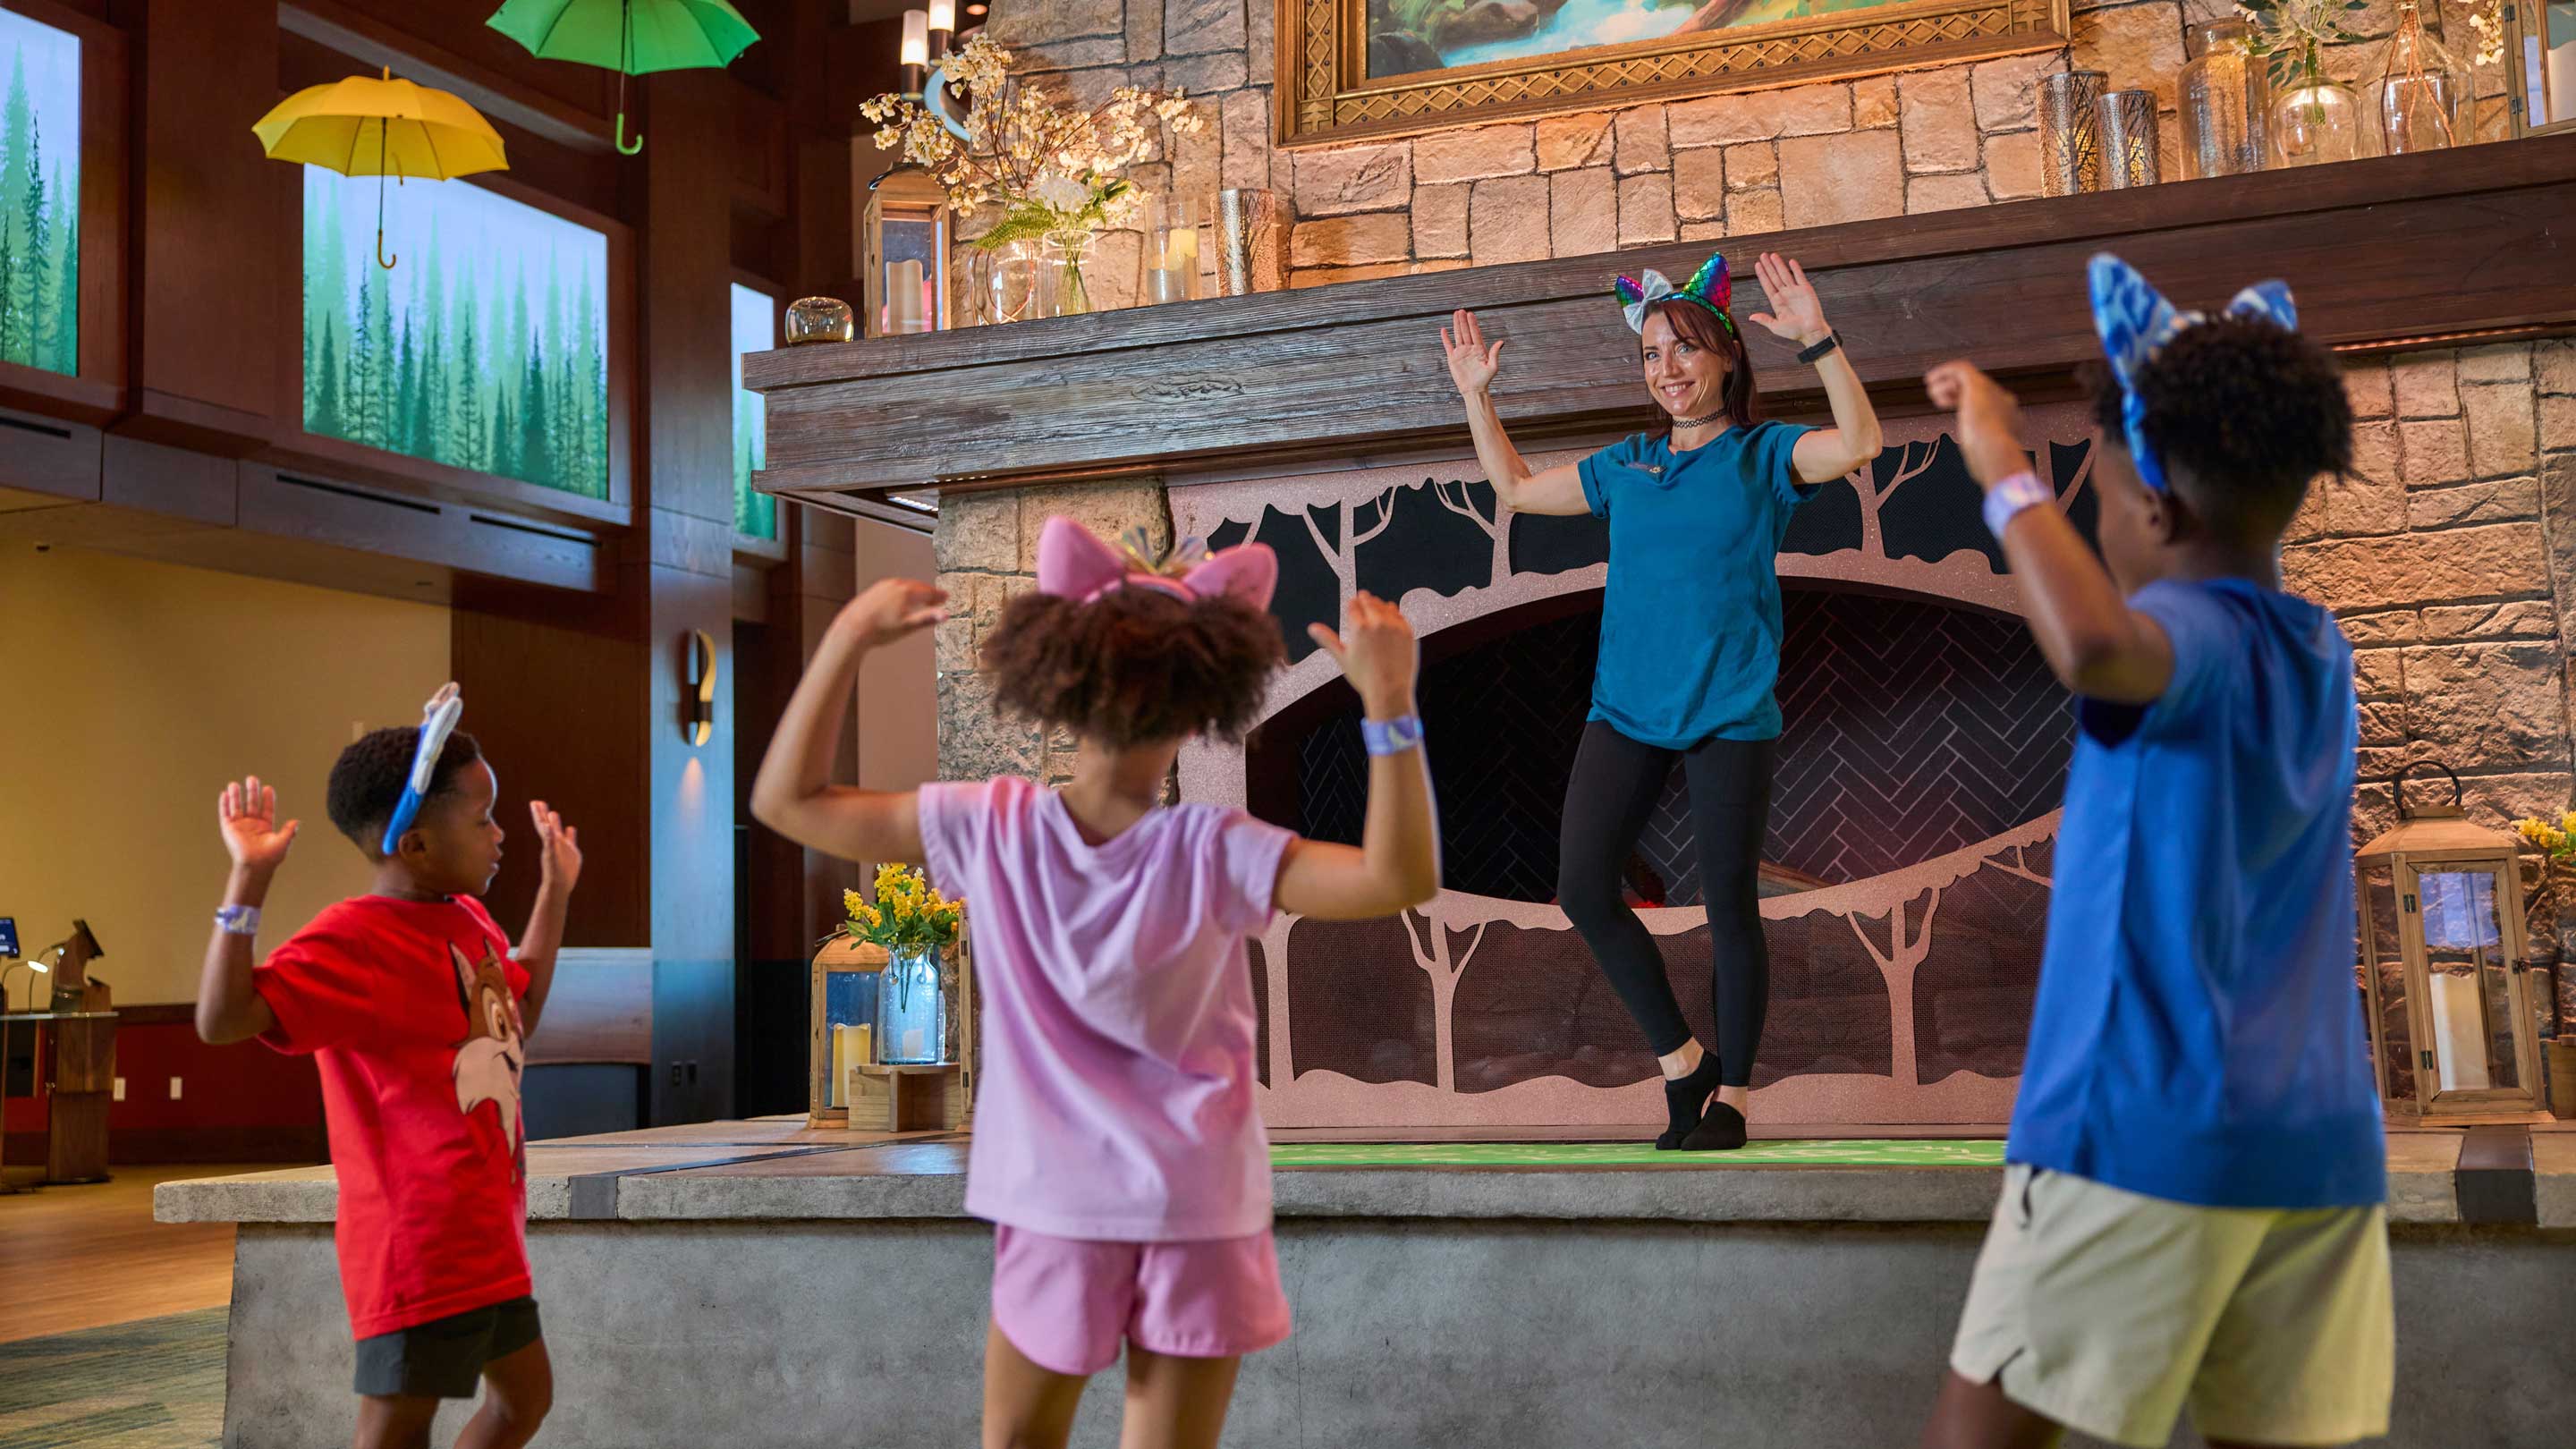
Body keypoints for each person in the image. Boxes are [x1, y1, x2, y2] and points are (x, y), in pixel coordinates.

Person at [750, 517, 1441, 1449]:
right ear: (1206, 707)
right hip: (1197, 1203)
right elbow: (1397, 880)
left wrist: (846, 639)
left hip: (1051, 1201)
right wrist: (1389, 705)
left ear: (1059, 687)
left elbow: (786, 802)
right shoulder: (1217, 848)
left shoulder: (990, 826)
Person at [1918, 255, 2390, 1449]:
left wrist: (2001, 469)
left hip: (2139, 1128)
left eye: (2100, 493)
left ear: (2156, 512)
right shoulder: (2317, 654)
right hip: (2318, 1151)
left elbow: (2088, 644)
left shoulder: (2183, 638)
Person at [1440, 250, 1885, 1150]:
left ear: (1724, 357)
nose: (1667, 371)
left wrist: (1821, 344)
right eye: (1651, 356)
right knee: (1581, 889)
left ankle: (1736, 1100)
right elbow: (1517, 489)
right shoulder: (1629, 464)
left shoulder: (1765, 455)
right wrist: (1476, 397)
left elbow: (1861, 444)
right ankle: (1684, 1064)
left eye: (1683, 351)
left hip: (1728, 709)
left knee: (1728, 903)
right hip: (1626, 710)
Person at [195, 702, 582, 1449]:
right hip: (417, 1244)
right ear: (416, 842)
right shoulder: (355, 938)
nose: (500, 833)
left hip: (487, 1236)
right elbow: (222, 1020)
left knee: (524, 1400)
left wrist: (555, 893)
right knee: (396, 1428)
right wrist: (247, 883)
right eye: (483, 818)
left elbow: (516, 1008)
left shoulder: (468, 918)